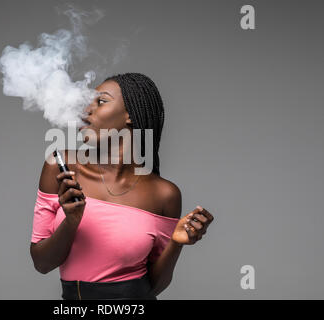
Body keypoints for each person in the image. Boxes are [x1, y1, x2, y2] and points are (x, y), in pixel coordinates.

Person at [30, 72, 214, 300]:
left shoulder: (164, 194)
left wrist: (176, 244)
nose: (85, 111)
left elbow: (154, 287)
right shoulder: (61, 169)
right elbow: (42, 263)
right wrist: (71, 221)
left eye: (101, 101)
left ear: (130, 115)